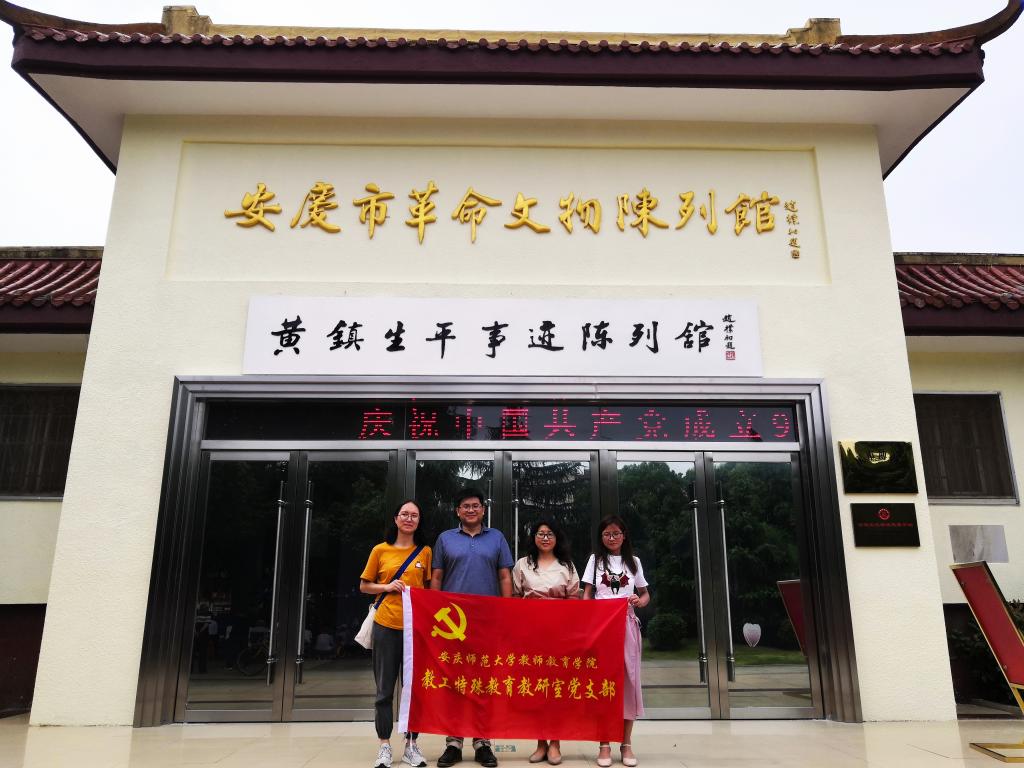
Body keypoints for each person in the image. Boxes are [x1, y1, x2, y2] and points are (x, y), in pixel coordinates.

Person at [430, 488, 514, 768]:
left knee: (484, 682)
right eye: (465, 506)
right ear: (458, 511)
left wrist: (506, 611)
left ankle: (482, 742)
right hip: (452, 624)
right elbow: (437, 577)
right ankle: (453, 743)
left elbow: (505, 576)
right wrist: (433, 613)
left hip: (486, 621)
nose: (471, 510)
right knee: (454, 682)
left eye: (475, 505)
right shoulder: (445, 538)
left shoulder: (497, 537)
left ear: (483, 509)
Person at [360, 500, 433, 768]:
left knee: (413, 690)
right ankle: (384, 745)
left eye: (414, 515)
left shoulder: (425, 552)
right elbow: (364, 586)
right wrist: (387, 586)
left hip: (416, 629)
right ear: (396, 519)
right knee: (384, 690)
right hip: (386, 625)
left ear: (419, 521)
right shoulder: (380, 549)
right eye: (405, 514)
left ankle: (411, 745)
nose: (409, 519)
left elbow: (429, 590)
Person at [511, 519, 580, 766]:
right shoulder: (523, 564)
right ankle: (540, 742)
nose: (545, 538)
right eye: (540, 533)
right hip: (531, 633)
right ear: (534, 537)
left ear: (557, 538)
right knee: (537, 689)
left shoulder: (567, 565)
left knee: (557, 689)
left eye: (550, 533)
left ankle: (556, 743)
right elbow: (516, 597)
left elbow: (574, 599)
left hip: (558, 633)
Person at [582, 516, 650, 768]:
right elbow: (587, 594)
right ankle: (604, 744)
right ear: (601, 538)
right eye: (607, 534)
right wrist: (588, 622)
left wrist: (639, 601)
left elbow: (645, 594)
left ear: (624, 535)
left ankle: (626, 743)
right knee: (604, 684)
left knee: (629, 683)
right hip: (602, 628)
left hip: (627, 626)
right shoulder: (595, 561)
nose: (611, 538)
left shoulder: (634, 562)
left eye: (616, 533)